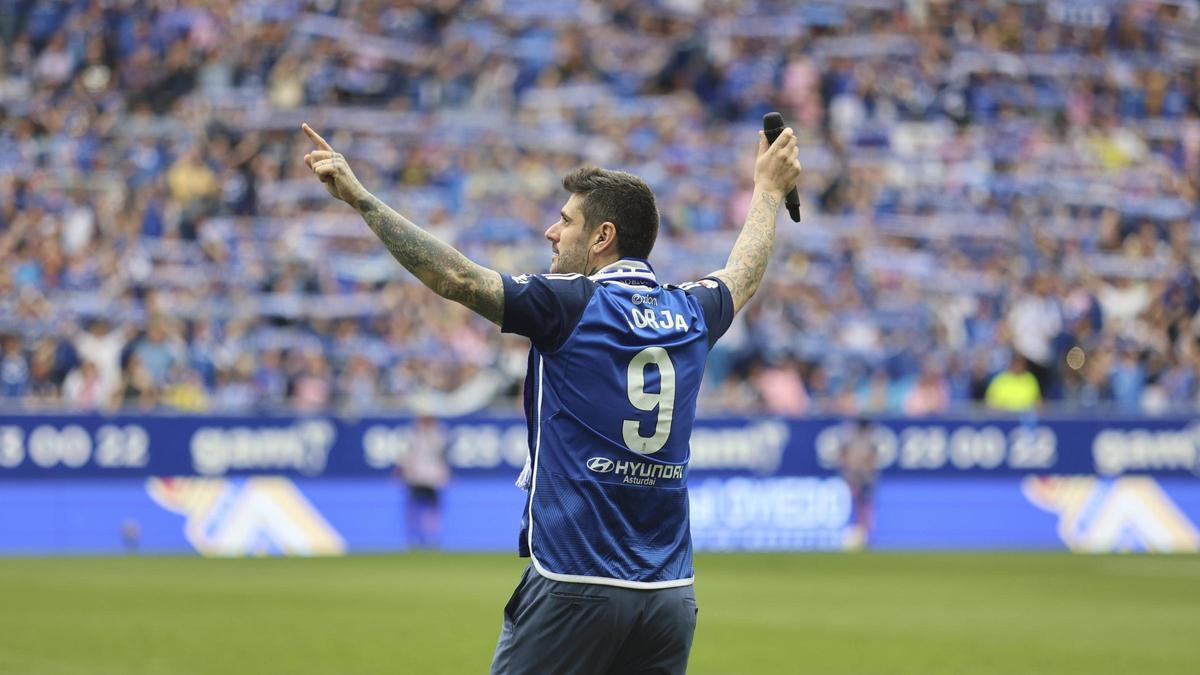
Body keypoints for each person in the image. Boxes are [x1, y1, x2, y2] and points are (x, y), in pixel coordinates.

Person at [302, 121, 801, 674]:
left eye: (565, 221)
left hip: (572, 582)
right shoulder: (690, 312)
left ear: (602, 237)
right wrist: (769, 191)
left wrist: (362, 200)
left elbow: (457, 279)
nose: (551, 231)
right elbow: (744, 273)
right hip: (668, 594)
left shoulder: (571, 303)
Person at [394, 414, 451, 549]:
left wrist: (445, 474)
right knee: (414, 508)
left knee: (432, 509)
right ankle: (414, 537)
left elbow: (442, 457)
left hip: (432, 477)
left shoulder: (438, 435)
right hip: (416, 476)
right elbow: (407, 455)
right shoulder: (413, 435)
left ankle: (432, 537)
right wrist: (402, 470)